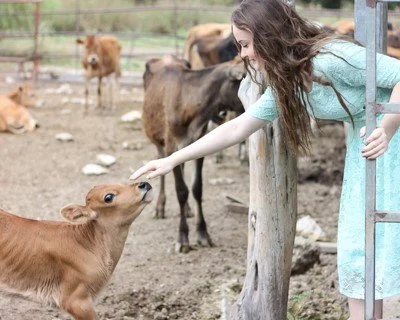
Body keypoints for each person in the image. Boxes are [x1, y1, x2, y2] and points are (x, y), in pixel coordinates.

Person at [130, 0, 400, 319]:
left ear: (268, 35)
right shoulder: (287, 84)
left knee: (378, 240)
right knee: (359, 251)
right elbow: (239, 127)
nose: (243, 54)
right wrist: (174, 159)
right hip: (369, 151)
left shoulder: (330, 58)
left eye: (245, 44)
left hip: (388, 141)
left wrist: (386, 126)